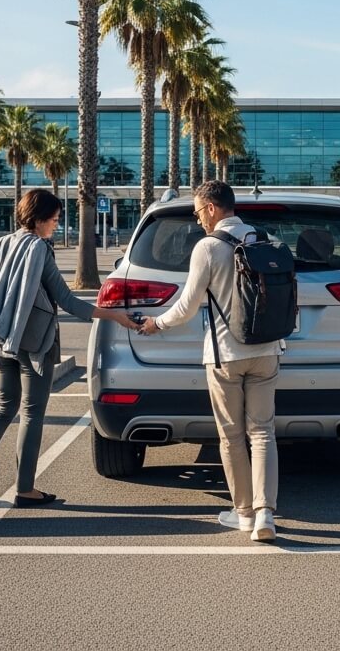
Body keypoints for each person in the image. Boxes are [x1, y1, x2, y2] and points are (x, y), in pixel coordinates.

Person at [137, 180, 282, 542]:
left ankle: (244, 514)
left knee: (232, 436)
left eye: (199, 211)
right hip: (267, 350)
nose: (198, 218)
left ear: (214, 208)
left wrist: (158, 324)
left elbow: (186, 307)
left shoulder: (207, 247)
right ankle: (266, 513)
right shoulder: (260, 239)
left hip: (225, 355)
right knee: (263, 432)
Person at [0, 189, 138, 507]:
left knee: (4, 409)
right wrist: (115, 315)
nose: (56, 226)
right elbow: (68, 301)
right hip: (34, 342)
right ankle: (25, 489)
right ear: (38, 220)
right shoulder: (39, 249)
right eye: (54, 220)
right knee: (32, 413)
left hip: (0, 340)